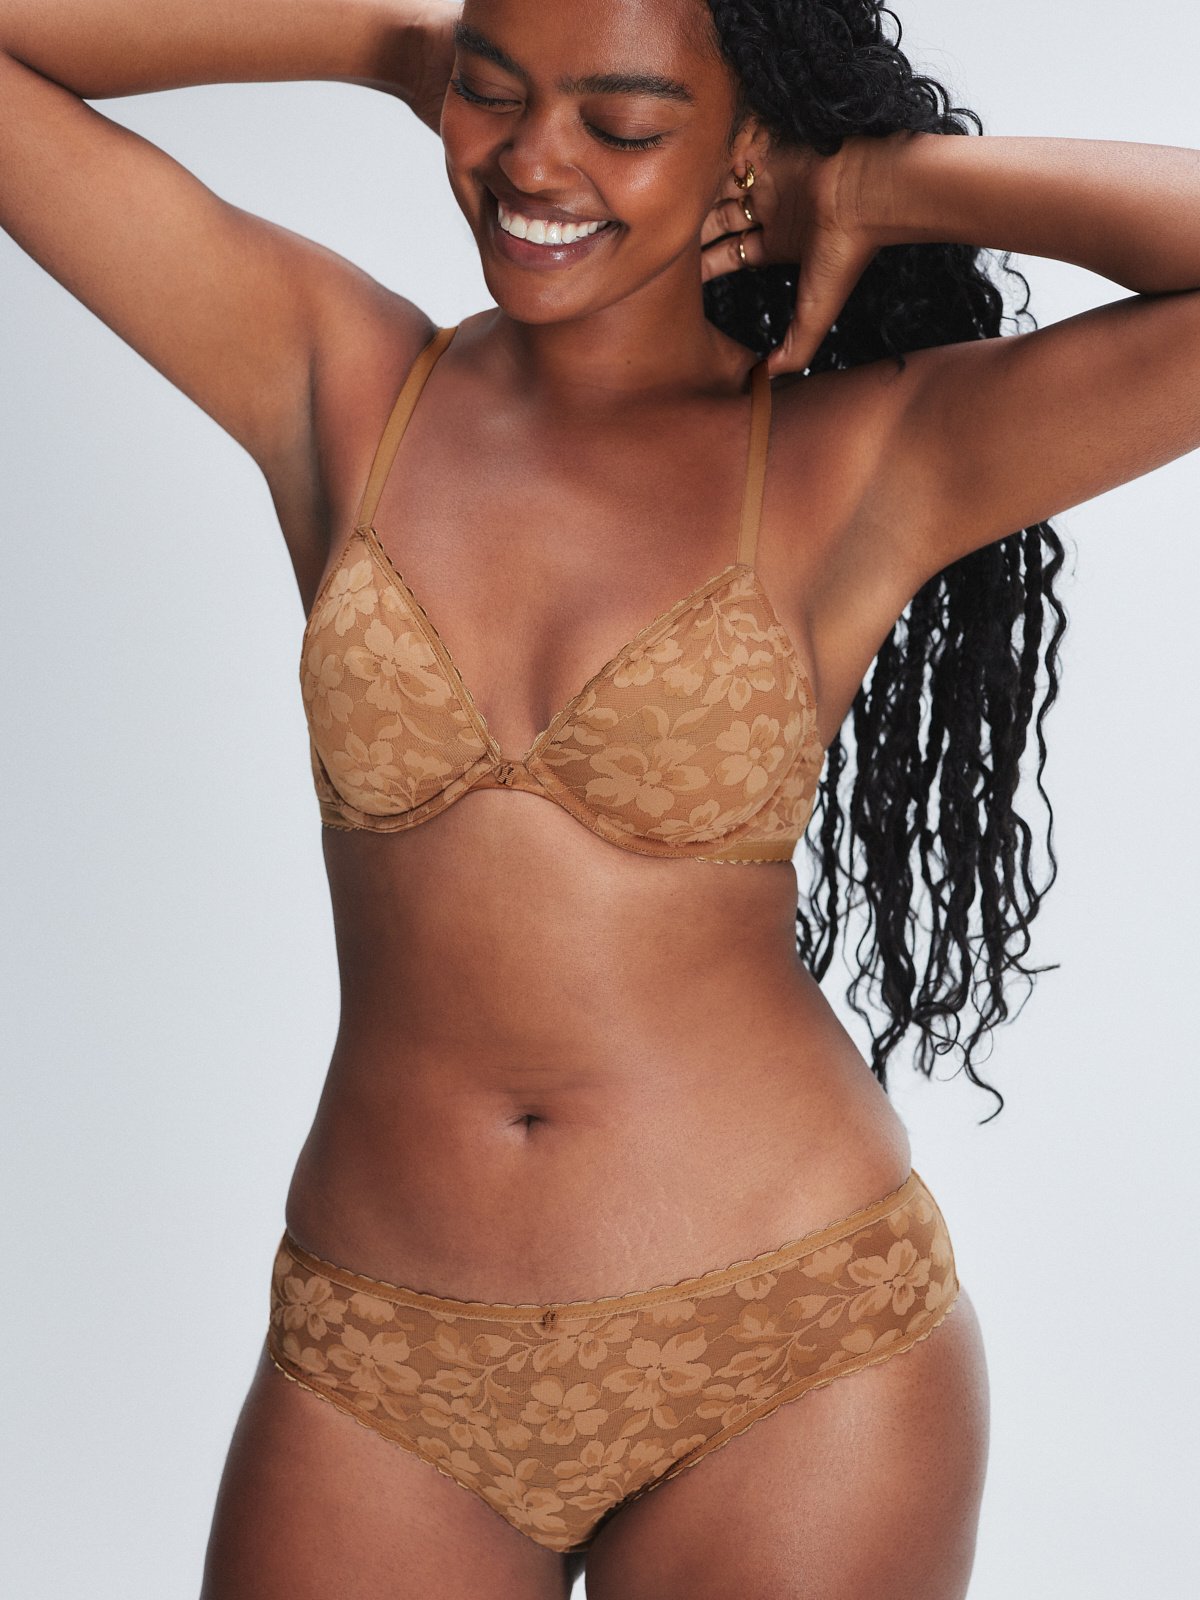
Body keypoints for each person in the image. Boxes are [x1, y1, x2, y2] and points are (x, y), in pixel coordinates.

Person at [2, 1, 1197, 1596]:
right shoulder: (342, 379)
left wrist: (882, 184)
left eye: (620, 124)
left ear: (747, 145)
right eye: (496, 96)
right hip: (380, 1363)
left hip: (786, 1349)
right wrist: (394, 45)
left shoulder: (863, 455)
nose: (532, 163)